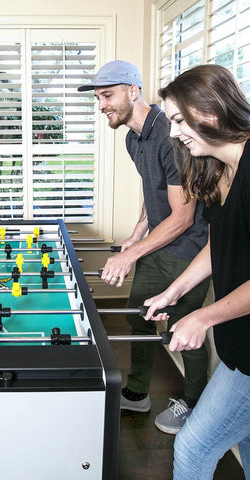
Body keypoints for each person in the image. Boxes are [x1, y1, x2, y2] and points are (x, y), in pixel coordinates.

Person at [78, 60, 210, 434]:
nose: (101, 105)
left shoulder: (170, 135)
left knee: (182, 329)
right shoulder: (132, 139)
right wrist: (137, 234)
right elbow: (153, 190)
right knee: (140, 317)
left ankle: (195, 405)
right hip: (158, 243)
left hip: (189, 249)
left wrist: (130, 255)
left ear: (133, 90)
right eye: (98, 98)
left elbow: (183, 216)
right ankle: (137, 394)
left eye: (107, 95)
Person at [144, 64, 250, 478]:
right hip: (238, 340)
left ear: (210, 110)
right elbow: (218, 245)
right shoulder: (220, 170)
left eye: (178, 120)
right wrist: (174, 291)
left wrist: (203, 316)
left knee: (193, 448)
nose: (173, 133)